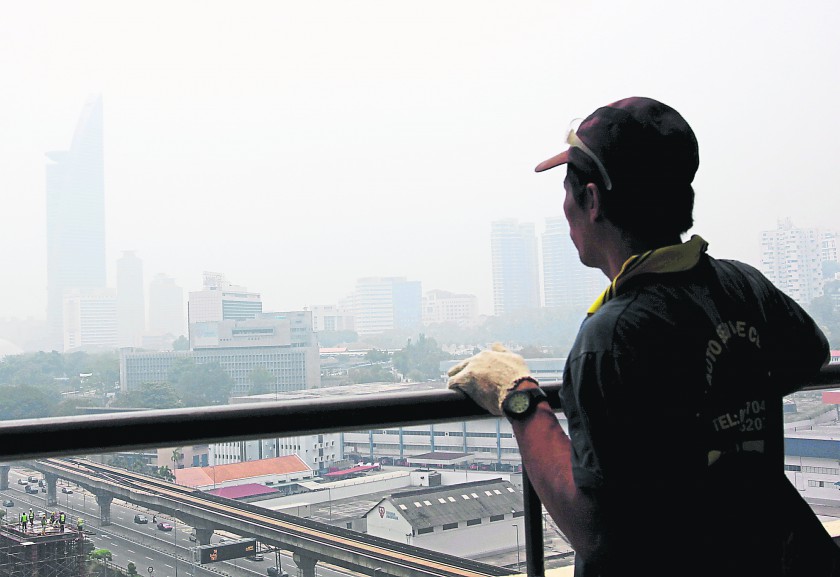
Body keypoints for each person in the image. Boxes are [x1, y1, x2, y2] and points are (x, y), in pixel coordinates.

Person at [448, 97, 840, 576]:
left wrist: (521, 398)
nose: (564, 207)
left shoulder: (611, 338)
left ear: (592, 200)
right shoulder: (741, 285)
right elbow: (810, 351)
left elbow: (596, 532)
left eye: (567, 191)